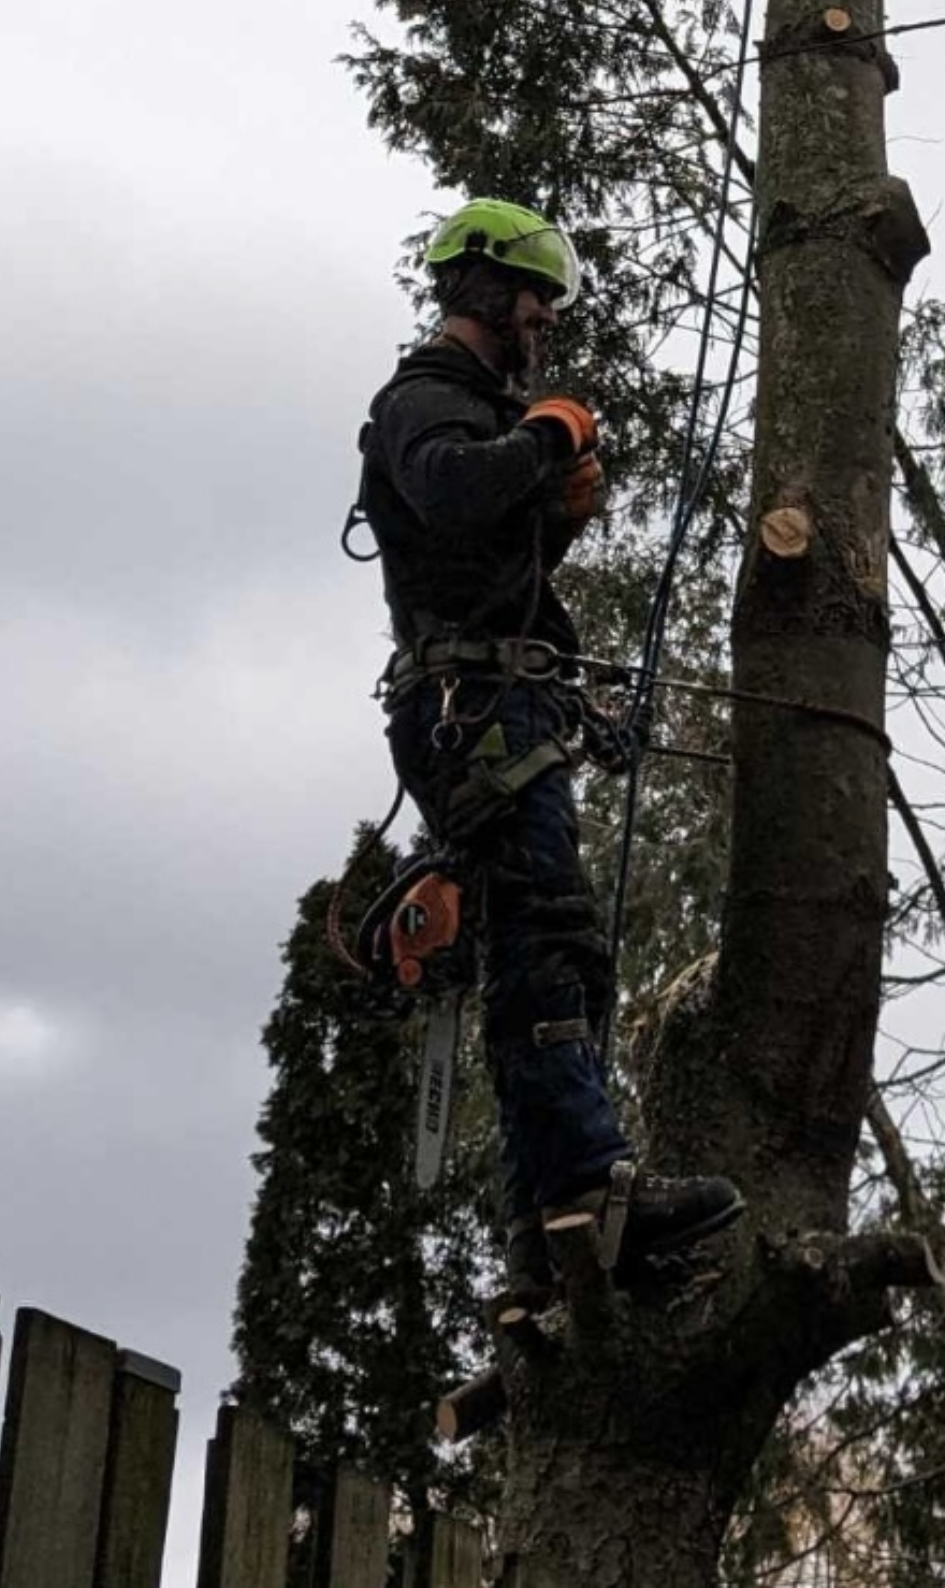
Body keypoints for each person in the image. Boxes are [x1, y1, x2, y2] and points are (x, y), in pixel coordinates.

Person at [356, 197, 742, 1304]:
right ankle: (589, 1181)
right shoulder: (427, 400)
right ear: (481, 286)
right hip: (469, 709)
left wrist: (556, 511)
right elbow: (451, 489)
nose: (540, 317)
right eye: (530, 294)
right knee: (549, 939)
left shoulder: (471, 408)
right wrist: (543, 439)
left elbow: (485, 564)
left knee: (545, 949)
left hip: (495, 703)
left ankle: (548, 1238)